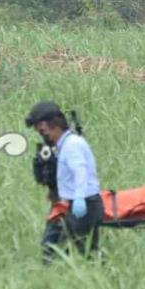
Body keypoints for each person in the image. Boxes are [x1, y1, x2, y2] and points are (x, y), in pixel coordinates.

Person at [25, 101, 103, 262]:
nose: (42, 136)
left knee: (84, 251)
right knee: (53, 246)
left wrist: (80, 199)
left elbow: (80, 172)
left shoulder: (72, 145)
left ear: (51, 126)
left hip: (84, 204)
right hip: (70, 203)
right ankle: (53, 275)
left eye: (42, 131)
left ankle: (102, 275)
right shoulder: (65, 144)